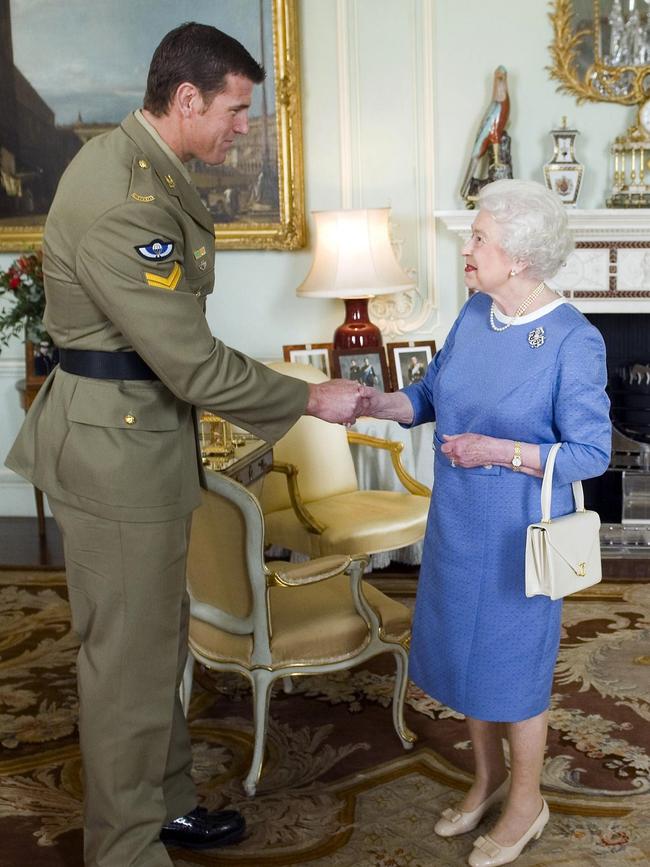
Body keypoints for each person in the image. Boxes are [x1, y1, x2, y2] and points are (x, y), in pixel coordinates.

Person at [5, 23, 363, 867]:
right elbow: (192, 361)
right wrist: (312, 395)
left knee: (153, 644)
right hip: (115, 452)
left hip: (136, 438)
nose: (246, 127)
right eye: (237, 110)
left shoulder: (147, 170)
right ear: (189, 98)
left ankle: (162, 803)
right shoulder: (126, 200)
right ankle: (124, 848)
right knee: (126, 666)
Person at [358, 179, 611, 867]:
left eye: (478, 240)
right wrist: (378, 403)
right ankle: (488, 776)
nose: (466, 251)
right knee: (466, 663)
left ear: (520, 258)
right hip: (459, 524)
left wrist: (502, 451)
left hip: (519, 535)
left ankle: (527, 800)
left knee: (513, 673)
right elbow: (431, 393)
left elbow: (593, 450)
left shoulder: (572, 339)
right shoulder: (474, 313)